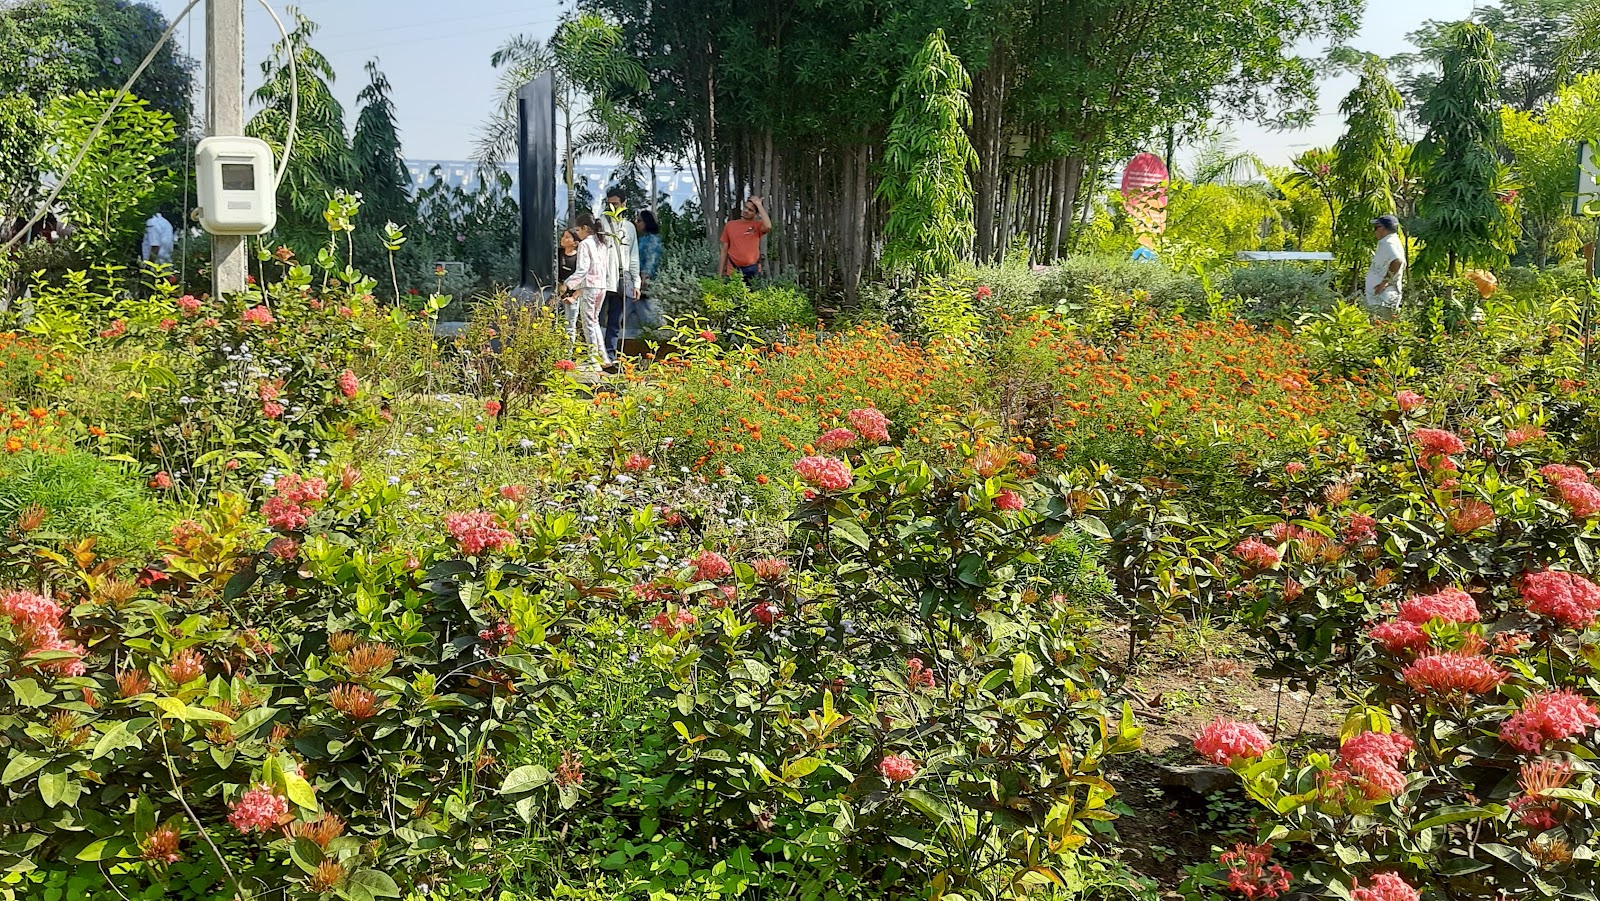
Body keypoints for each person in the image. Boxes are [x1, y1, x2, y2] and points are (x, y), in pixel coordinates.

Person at [564, 212, 619, 369]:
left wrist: (568, 284)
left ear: (585, 228)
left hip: (589, 287)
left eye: (578, 230)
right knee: (594, 322)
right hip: (602, 286)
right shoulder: (601, 242)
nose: (577, 234)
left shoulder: (585, 244)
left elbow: (582, 270)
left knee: (588, 324)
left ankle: (594, 360)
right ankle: (604, 358)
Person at [603, 188, 640, 357]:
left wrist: (636, 282)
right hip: (601, 278)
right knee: (593, 318)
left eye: (615, 204)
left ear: (623, 205)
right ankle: (596, 354)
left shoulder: (629, 228)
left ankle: (610, 355)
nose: (612, 208)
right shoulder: (600, 224)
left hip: (620, 278)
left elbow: (633, 256)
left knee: (615, 320)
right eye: (609, 204)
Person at [720, 195, 770, 283]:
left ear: (756, 214)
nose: (746, 211)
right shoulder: (730, 225)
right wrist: (719, 274)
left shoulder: (757, 225)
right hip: (733, 269)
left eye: (750, 210)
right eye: (745, 207)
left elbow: (768, 226)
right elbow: (724, 250)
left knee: (753, 296)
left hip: (752, 270)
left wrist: (759, 205)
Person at [1366, 214, 1405, 317]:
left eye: (1375, 228)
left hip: (1383, 296)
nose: (1374, 231)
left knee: (1381, 328)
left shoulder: (1389, 243)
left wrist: (1384, 283)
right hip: (1384, 296)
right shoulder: (1391, 241)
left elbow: (1397, 261)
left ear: (1381, 228)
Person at [556, 226, 582, 341]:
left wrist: (574, 297)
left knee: (569, 326)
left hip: (572, 296)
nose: (563, 239)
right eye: (563, 236)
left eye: (567, 237)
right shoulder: (558, 254)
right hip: (556, 294)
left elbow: (584, 279)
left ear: (575, 243)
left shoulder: (579, 258)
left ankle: (568, 355)